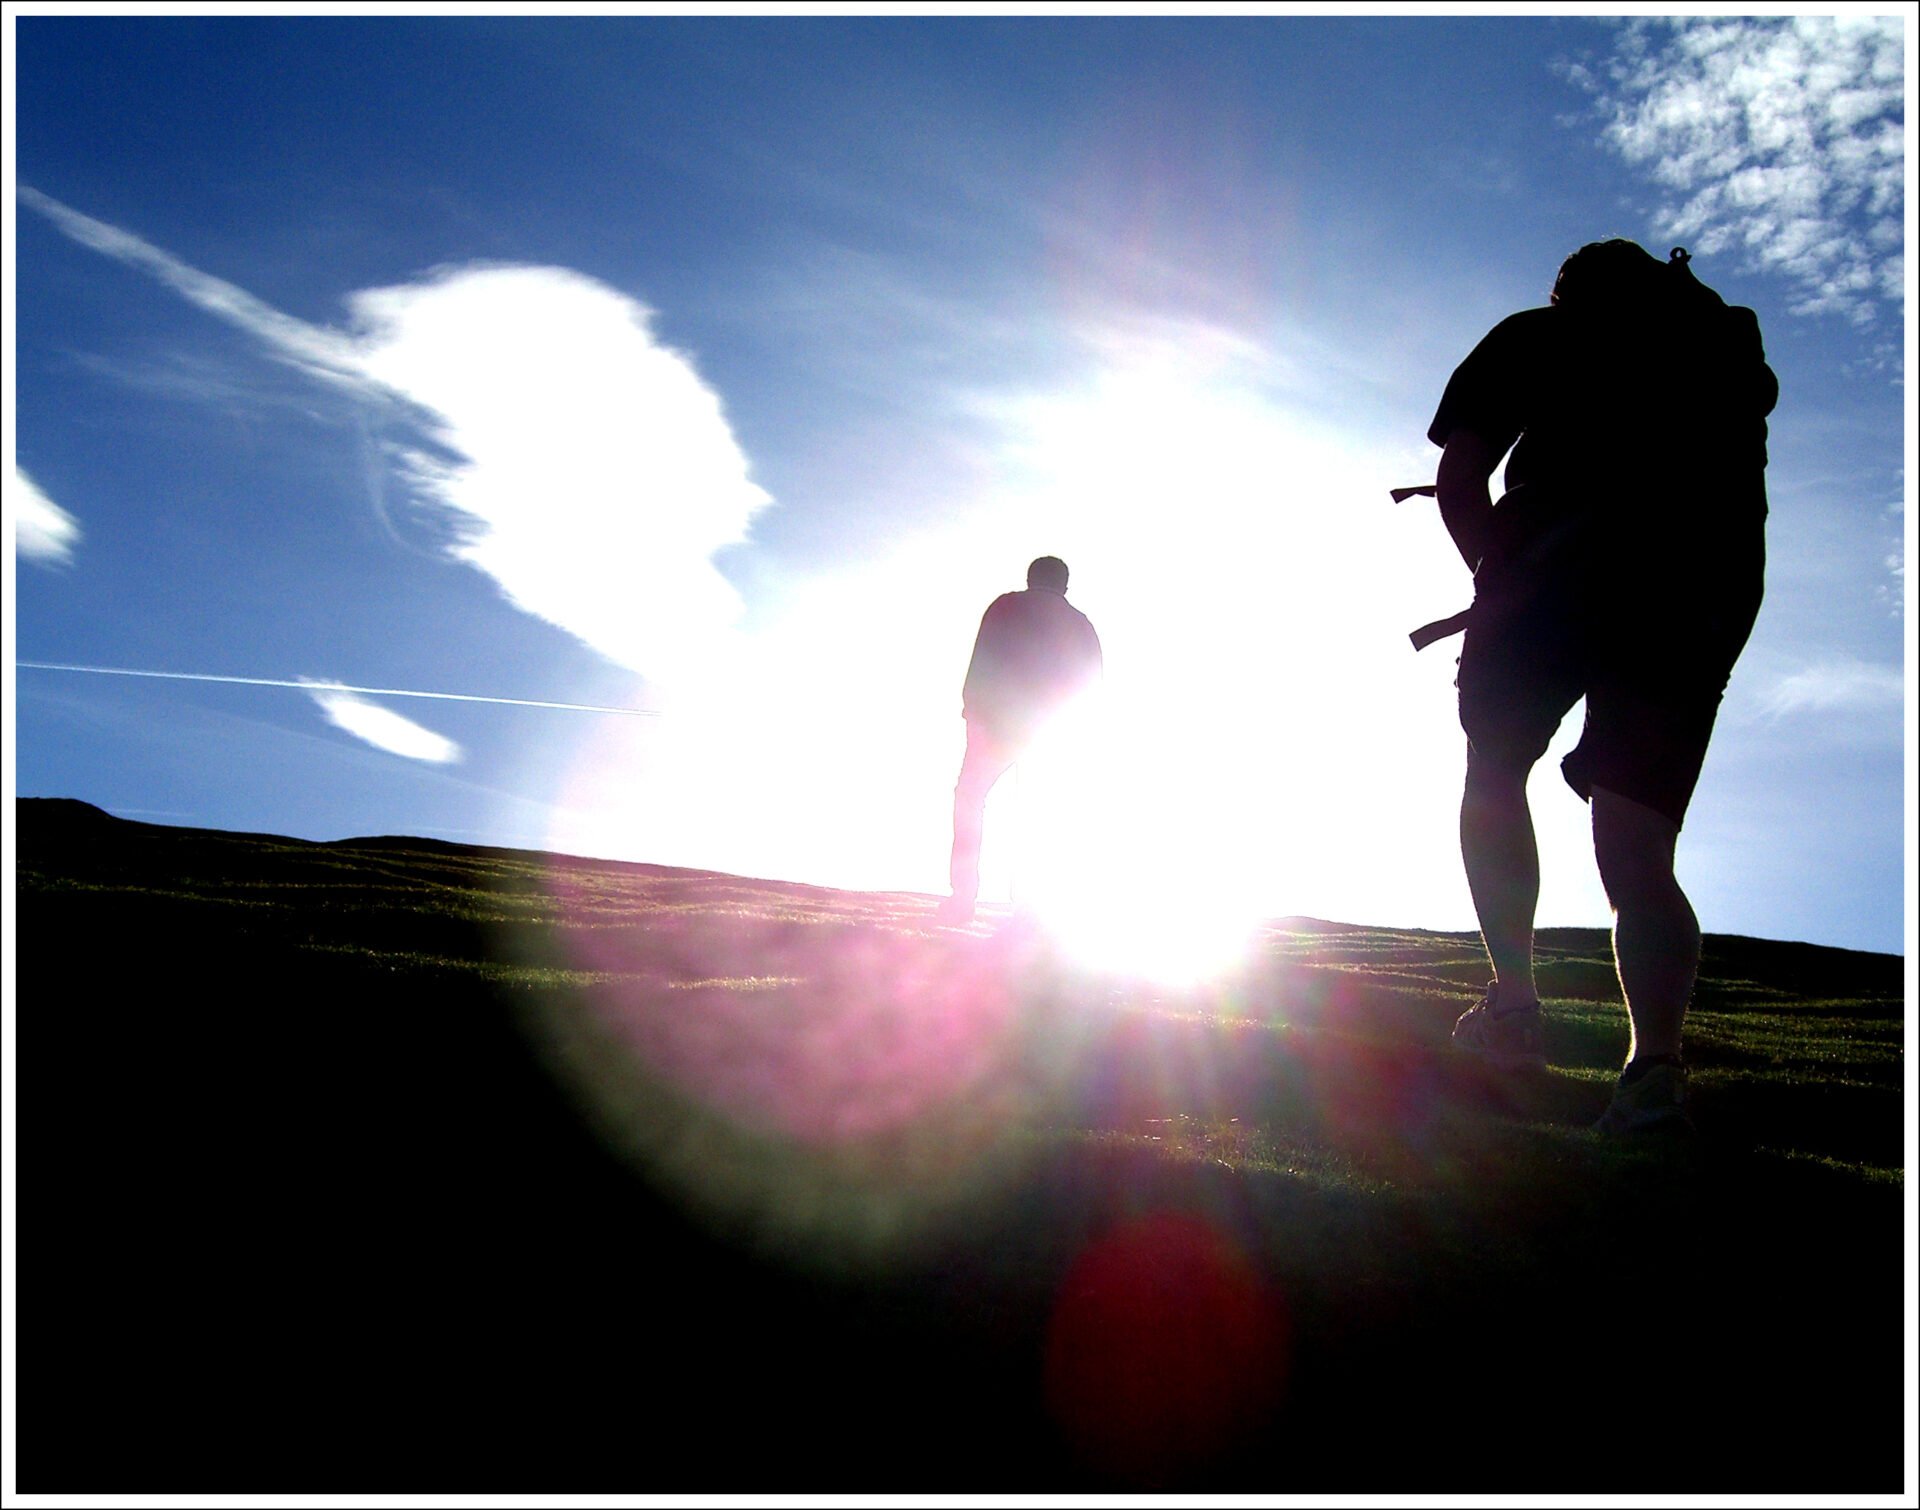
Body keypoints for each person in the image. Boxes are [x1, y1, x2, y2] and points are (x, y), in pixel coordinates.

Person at [1422, 239, 1777, 1134]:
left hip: (1556, 569)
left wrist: (1489, 575)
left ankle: (1512, 1006)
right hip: (1700, 590)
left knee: (1496, 773)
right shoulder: (1716, 360)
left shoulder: (1540, 335)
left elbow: (1460, 477)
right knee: (1638, 849)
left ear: (1566, 290)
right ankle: (1653, 1070)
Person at [939, 556, 1103, 924]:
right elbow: (1092, 683)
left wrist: (972, 709)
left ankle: (963, 897)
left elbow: (983, 658)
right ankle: (1028, 909)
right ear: (1064, 584)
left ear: (1030, 579)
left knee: (969, 800)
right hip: (1050, 731)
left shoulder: (1006, 606)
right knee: (1036, 814)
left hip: (997, 723)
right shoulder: (1080, 624)